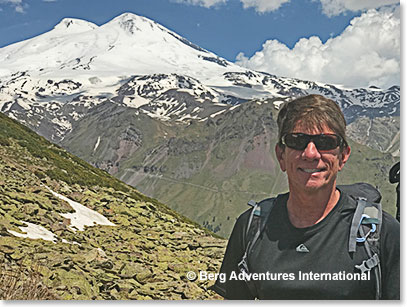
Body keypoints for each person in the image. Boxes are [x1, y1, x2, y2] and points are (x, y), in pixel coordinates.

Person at [211, 94, 399, 300]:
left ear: (343, 156)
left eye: (326, 142)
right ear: (281, 156)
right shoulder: (250, 228)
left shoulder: (383, 233)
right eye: (297, 141)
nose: (310, 153)